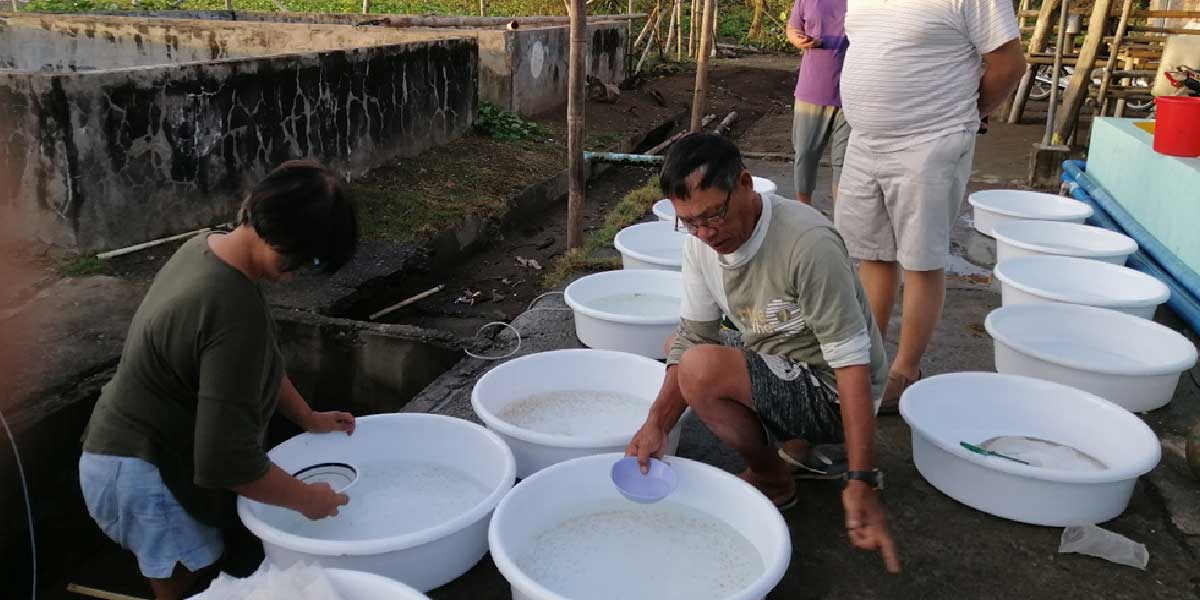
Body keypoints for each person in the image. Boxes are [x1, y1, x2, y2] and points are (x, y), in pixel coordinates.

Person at [78, 160, 360, 600]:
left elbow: (258, 361)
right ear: (286, 246)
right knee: (186, 586)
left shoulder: (210, 249)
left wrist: (308, 417)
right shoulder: (229, 306)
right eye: (312, 261)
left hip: (129, 454)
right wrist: (310, 500)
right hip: (144, 470)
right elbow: (228, 462)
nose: (302, 274)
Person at [626, 134, 900, 573]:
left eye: (714, 214)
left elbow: (852, 366)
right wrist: (656, 424)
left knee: (699, 369)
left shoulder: (807, 243)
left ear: (746, 183)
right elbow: (694, 334)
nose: (706, 233)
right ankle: (792, 441)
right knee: (680, 348)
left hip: (833, 387)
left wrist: (861, 478)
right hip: (781, 356)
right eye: (690, 222)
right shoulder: (701, 244)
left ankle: (773, 479)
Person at [836, 0, 1025, 412]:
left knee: (921, 260)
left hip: (931, 140)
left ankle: (905, 371)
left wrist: (966, 114)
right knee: (873, 256)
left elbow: (1009, 64)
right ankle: (870, 363)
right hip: (865, 140)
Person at [786, 0, 850, 206]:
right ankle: (805, 212)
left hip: (851, 93)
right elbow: (793, 28)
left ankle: (842, 224)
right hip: (813, 89)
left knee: (844, 164)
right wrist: (798, 39)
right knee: (805, 155)